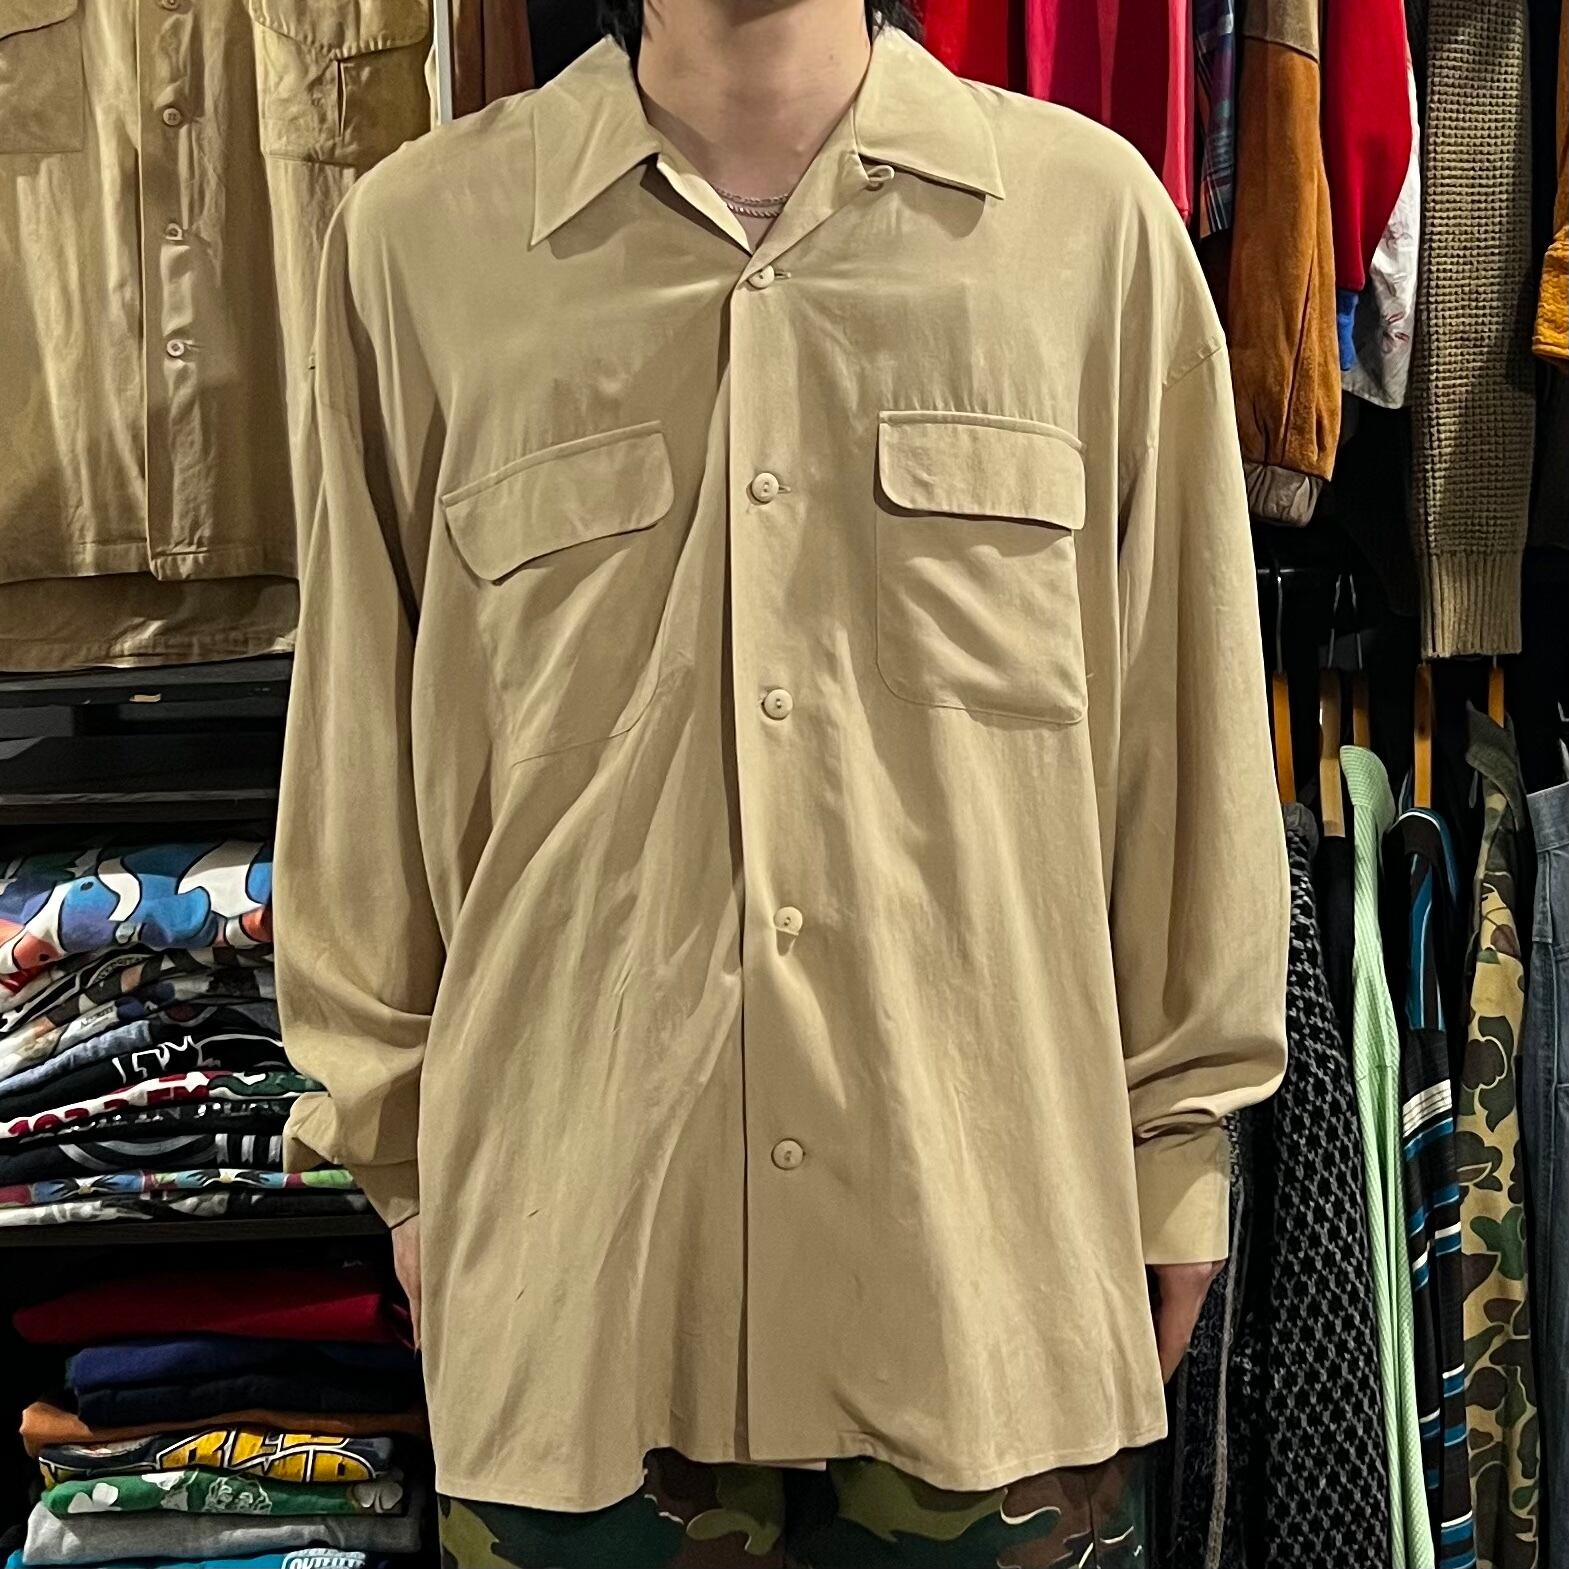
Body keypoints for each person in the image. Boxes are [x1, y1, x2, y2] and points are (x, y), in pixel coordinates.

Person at [275, 0, 1290, 1562]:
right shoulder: (418, 248)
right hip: (581, 1290)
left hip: (989, 1274)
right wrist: (400, 1163)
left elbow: (1185, 745)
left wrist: (1178, 1156)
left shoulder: (1090, 234)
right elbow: (354, 753)